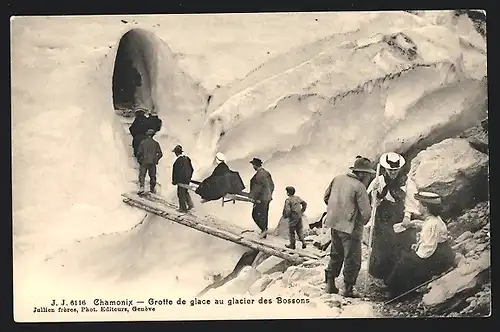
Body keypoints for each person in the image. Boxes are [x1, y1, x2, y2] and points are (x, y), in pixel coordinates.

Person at [383, 191, 456, 298]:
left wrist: (415, 254)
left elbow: (427, 250)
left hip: (439, 257)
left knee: (406, 260)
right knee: (406, 255)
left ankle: (394, 290)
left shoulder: (432, 224)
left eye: (420, 204)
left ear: (426, 208)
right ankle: (397, 286)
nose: (418, 206)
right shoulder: (433, 220)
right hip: (439, 252)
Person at [323, 156, 374, 297]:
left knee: (335, 254)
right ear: (362, 174)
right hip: (351, 228)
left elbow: (326, 197)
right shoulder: (360, 187)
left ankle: (330, 285)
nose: (369, 177)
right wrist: (358, 222)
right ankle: (348, 289)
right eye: (368, 174)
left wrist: (337, 211)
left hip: (334, 224)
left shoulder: (337, 178)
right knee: (352, 258)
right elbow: (366, 213)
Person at [366, 152, 417, 281]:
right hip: (383, 216)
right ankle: (381, 276)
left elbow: (411, 201)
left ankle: (398, 278)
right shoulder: (378, 180)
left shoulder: (406, 182)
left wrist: (407, 216)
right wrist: (375, 193)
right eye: (390, 170)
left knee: (401, 245)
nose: (393, 172)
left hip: (400, 215)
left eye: (395, 170)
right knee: (383, 245)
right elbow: (373, 203)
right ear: (385, 168)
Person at [249, 158, 275, 239]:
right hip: (267, 198)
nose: (253, 166)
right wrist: (269, 194)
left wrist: (254, 198)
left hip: (261, 199)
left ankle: (264, 230)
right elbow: (272, 185)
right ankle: (264, 233)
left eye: (253, 165)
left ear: (255, 165)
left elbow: (257, 189)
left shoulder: (258, 176)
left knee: (255, 215)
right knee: (264, 215)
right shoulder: (267, 173)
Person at [137, 129, 163, 194]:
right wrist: (156, 160)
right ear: (153, 135)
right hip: (152, 162)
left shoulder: (143, 143)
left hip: (144, 162)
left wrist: (140, 160)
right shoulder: (156, 143)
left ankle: (142, 188)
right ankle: (152, 189)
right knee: (153, 176)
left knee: (142, 175)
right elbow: (160, 154)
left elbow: (139, 153)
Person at [172, 145, 194, 213]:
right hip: (187, 179)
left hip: (181, 180)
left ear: (176, 153)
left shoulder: (177, 161)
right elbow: (192, 169)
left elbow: (175, 172)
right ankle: (190, 204)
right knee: (185, 192)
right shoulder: (187, 159)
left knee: (180, 193)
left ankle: (183, 208)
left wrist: (174, 181)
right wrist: (189, 177)